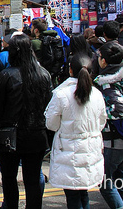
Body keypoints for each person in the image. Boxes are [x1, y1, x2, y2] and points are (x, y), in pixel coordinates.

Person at [0, 33, 53, 209]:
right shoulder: (43, 74)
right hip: (37, 134)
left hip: (10, 134)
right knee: (33, 179)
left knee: (9, 178)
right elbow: (49, 106)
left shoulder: (7, 74)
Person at [45, 54, 107, 209]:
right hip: (90, 150)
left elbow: (51, 124)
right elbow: (101, 122)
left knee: (73, 196)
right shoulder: (97, 94)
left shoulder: (61, 94)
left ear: (70, 70)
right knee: (83, 193)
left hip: (68, 151)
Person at [94, 41, 123, 209]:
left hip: (113, 140)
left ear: (104, 61)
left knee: (105, 183)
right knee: (121, 181)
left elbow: (121, 110)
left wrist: (101, 115)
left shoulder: (107, 82)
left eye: (99, 57)